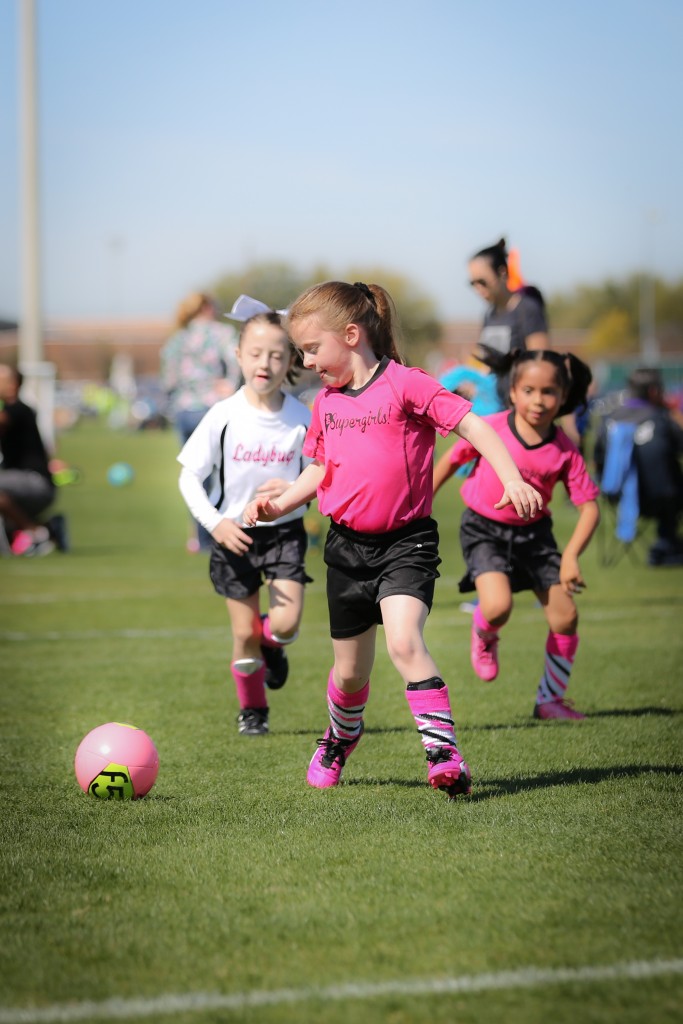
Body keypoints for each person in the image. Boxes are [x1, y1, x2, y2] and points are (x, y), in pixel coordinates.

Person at [243, 281, 543, 799]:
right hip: (345, 549)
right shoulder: (326, 404)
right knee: (351, 673)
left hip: (407, 544)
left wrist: (512, 477)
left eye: (313, 348)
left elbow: (475, 427)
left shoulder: (408, 384)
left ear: (352, 335)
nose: (308, 362)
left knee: (405, 642)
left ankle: (443, 754)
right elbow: (320, 470)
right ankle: (340, 737)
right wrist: (283, 502)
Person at [433, 349, 599, 720]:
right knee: (496, 607)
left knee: (565, 617)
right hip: (484, 530)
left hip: (535, 535)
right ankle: (485, 634)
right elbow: (451, 459)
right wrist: (421, 502)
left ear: (563, 395)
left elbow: (589, 507)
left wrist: (570, 557)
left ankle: (549, 700)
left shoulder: (565, 450)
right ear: (512, 392)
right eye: (528, 390)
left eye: (548, 392)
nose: (538, 400)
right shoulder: (488, 427)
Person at [177, 307, 312, 737]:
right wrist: (215, 524)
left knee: (285, 626)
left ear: (291, 360)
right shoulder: (222, 415)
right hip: (234, 537)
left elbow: (320, 475)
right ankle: (253, 710)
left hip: (287, 533)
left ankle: (274, 648)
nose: (265, 364)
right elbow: (188, 477)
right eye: (256, 353)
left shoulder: (303, 418)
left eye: (276, 355)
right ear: (238, 355)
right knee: (243, 633)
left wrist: (290, 491)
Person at [160, 292, 241, 552]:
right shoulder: (221, 333)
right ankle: (219, 534)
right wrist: (230, 386)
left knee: (195, 475)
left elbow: (168, 380)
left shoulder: (177, 339)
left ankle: (198, 536)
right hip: (212, 408)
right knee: (223, 473)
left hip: (184, 411)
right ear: (207, 307)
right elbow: (237, 363)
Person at [594, 367, 683, 567]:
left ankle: (666, 545)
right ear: (653, 391)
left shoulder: (609, 419)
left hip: (616, 496)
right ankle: (667, 543)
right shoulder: (661, 418)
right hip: (664, 499)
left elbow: (597, 459)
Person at [0, 364, 57, 557]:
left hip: (35, 482)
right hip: (20, 483)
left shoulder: (18, 409)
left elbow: (3, 420)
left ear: (12, 385)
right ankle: (50, 528)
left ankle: (35, 533)